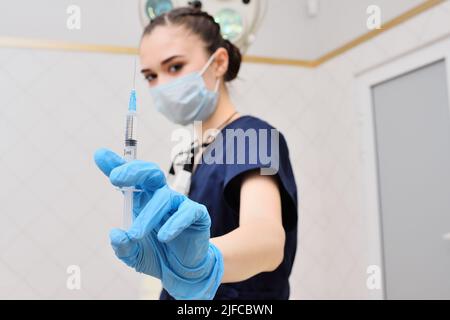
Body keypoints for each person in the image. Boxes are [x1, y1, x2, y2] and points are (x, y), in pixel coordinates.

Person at [94, 6, 298, 300]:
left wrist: (204, 262)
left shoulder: (253, 136)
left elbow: (267, 240)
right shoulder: (188, 153)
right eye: (150, 76)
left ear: (218, 63)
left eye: (174, 67)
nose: (161, 85)